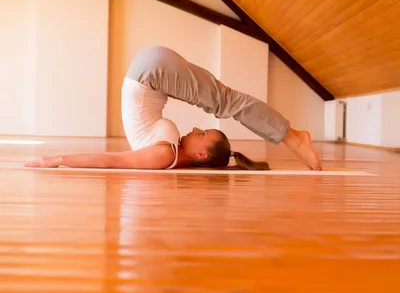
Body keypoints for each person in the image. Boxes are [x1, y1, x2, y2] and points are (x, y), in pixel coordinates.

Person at [25, 46, 322, 171]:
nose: (195, 128)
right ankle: (294, 138)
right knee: (225, 101)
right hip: (152, 73)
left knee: (227, 101)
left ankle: (295, 138)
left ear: (201, 154)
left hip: (151, 73)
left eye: (202, 132)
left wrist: (61, 159)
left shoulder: (164, 154)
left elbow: (112, 160)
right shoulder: (171, 148)